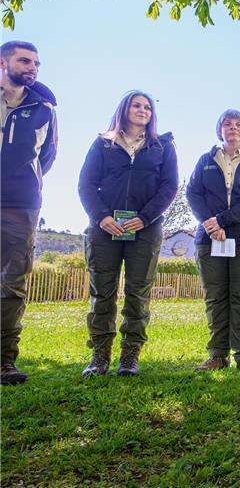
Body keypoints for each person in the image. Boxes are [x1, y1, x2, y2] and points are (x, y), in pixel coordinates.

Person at [78, 90, 178, 377]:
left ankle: (130, 356)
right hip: (104, 230)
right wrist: (101, 217)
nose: (143, 110)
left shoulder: (163, 146)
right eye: (137, 105)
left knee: (138, 293)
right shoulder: (103, 144)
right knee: (102, 293)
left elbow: (169, 187)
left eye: (147, 107)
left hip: (145, 231)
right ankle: (100, 356)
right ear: (125, 109)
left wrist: (145, 217)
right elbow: (86, 185)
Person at [187, 110, 240, 376]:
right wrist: (210, 223)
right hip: (209, 238)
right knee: (216, 297)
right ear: (219, 129)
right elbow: (193, 193)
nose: (233, 128)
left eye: (238, 124)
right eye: (227, 124)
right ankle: (217, 355)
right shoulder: (206, 160)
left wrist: (222, 220)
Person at [0, 41, 58, 385]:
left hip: (21, 205)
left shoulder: (44, 108)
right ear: (3, 63)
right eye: (24, 60)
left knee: (13, 284)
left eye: (36, 62)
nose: (32, 66)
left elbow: (47, 157)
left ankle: (5, 360)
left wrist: (23, 180)